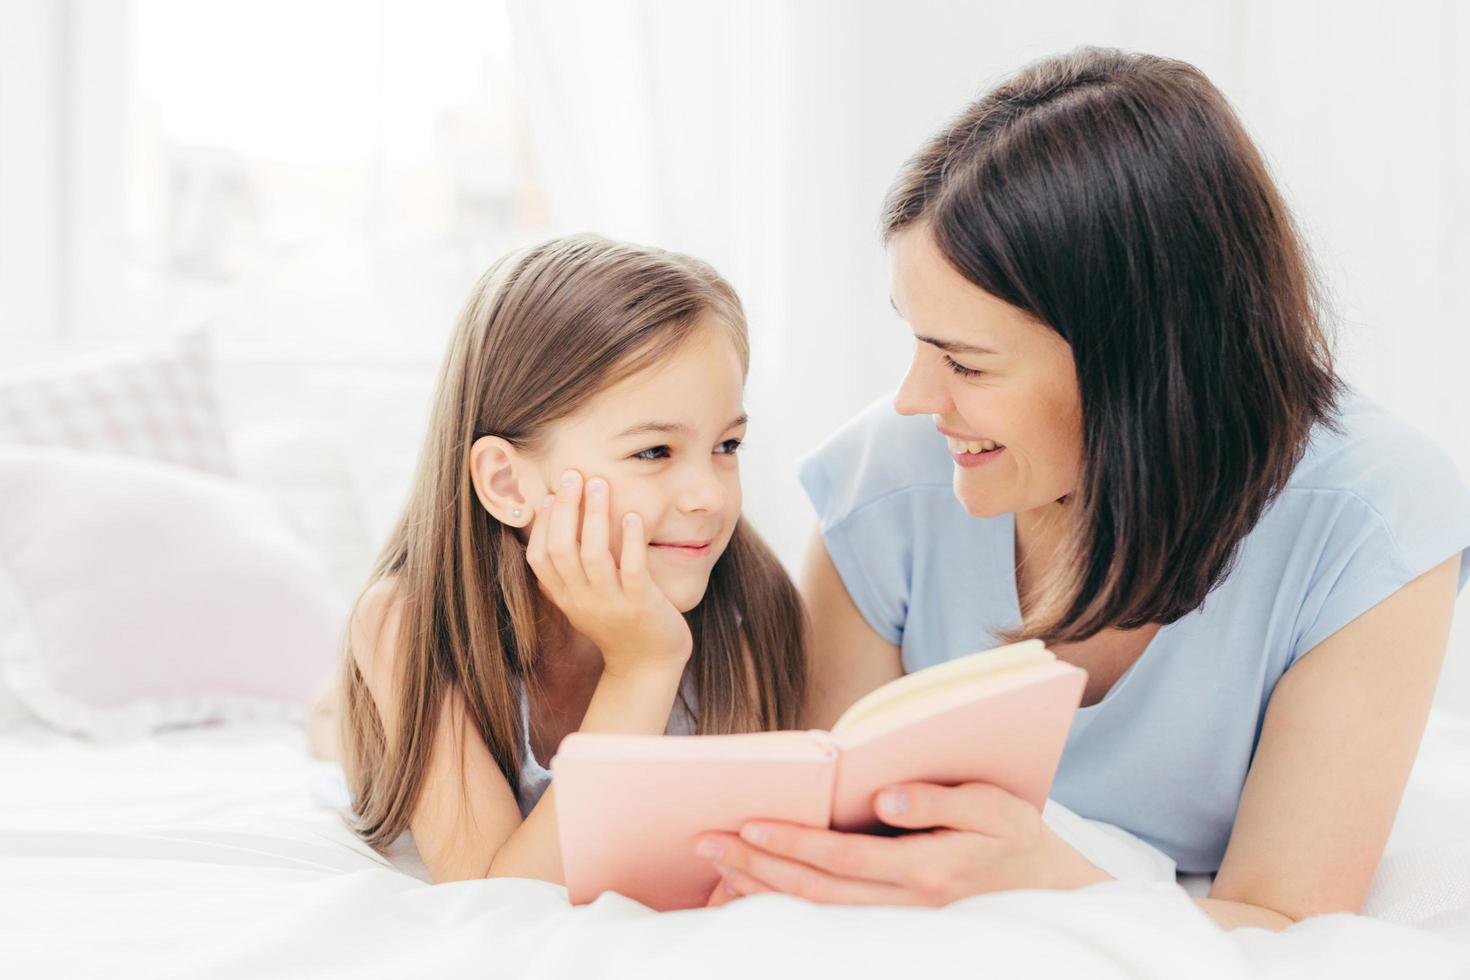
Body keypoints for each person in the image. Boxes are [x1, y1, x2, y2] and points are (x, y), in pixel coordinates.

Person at [693, 47, 1470, 931]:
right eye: (917, 341)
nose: (915, 399)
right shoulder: (887, 481)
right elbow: (821, 841)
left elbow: (1281, 917)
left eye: (966, 361)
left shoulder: (1372, 517)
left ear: (1135, 368)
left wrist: (1054, 883)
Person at [334, 234, 806, 884]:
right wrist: (642, 665)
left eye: (728, 446)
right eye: (654, 452)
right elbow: (504, 902)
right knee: (329, 726)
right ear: (508, 483)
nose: (708, 496)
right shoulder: (407, 623)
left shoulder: (749, 606)